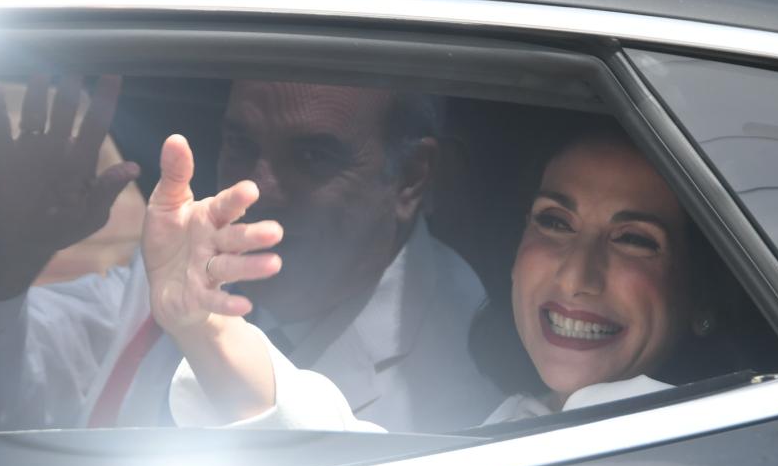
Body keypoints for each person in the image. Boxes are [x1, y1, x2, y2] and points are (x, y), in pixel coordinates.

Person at [0, 74, 502, 431]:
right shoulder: (179, 272)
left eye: (312, 156)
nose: (258, 187)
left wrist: (202, 332)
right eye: (240, 142)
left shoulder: (481, 366)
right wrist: (10, 242)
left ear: (411, 179)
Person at [166, 122, 723, 430]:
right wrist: (203, 327)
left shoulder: (665, 443)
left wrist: (206, 332)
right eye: (555, 222)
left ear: (699, 287)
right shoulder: (532, 420)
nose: (579, 275)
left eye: (634, 240)